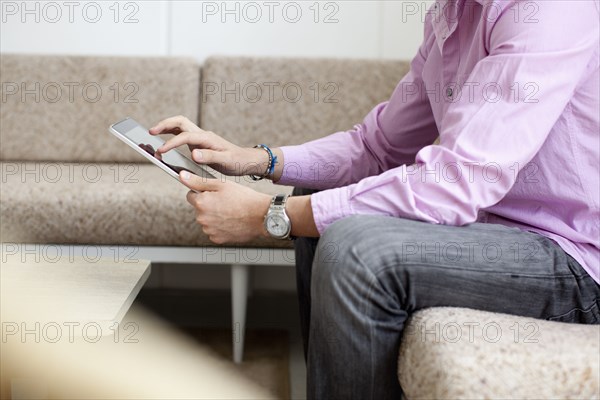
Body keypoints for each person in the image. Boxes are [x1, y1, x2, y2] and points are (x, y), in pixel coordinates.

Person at [149, 1, 599, 398]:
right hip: (494, 230)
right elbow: (376, 146)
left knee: (356, 252)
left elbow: (456, 182)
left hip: (572, 257)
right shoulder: (453, 15)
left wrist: (270, 216)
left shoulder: (551, 12)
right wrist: (254, 159)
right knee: (319, 193)